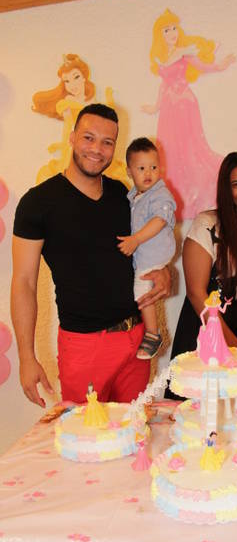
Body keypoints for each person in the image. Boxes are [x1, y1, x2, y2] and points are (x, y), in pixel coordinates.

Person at [11, 103, 170, 408]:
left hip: (136, 341)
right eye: (88, 138)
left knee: (134, 428)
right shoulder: (37, 203)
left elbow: (146, 248)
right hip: (84, 346)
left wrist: (163, 272)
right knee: (85, 434)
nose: (97, 149)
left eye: (107, 142)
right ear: (72, 137)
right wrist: (27, 357)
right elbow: (24, 282)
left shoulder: (123, 195)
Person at [169, 151, 237, 393]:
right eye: (236, 184)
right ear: (225, 190)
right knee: (197, 410)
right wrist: (236, 347)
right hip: (204, 335)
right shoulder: (207, 224)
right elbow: (196, 293)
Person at [142, 9, 235, 220]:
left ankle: (196, 196)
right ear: (160, 35)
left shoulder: (183, 53)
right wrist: (155, 106)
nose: (172, 33)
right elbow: (164, 81)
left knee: (191, 146)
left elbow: (203, 66)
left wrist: (221, 65)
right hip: (169, 107)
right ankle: (177, 198)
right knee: (169, 149)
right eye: (167, 30)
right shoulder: (164, 56)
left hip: (185, 103)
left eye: (174, 28)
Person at [117, 137, 176, 360]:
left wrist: (135, 240)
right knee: (140, 289)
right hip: (146, 255)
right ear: (129, 171)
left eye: (153, 167)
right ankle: (151, 331)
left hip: (154, 254)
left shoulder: (160, 194)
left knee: (141, 290)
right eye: (141, 168)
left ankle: (153, 334)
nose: (148, 173)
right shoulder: (134, 195)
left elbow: (160, 220)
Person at [32, 54, 128, 187]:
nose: (72, 85)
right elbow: (67, 130)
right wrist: (62, 147)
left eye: (76, 77)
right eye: (67, 81)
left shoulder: (119, 191)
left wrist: (109, 96)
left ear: (84, 77)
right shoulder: (68, 104)